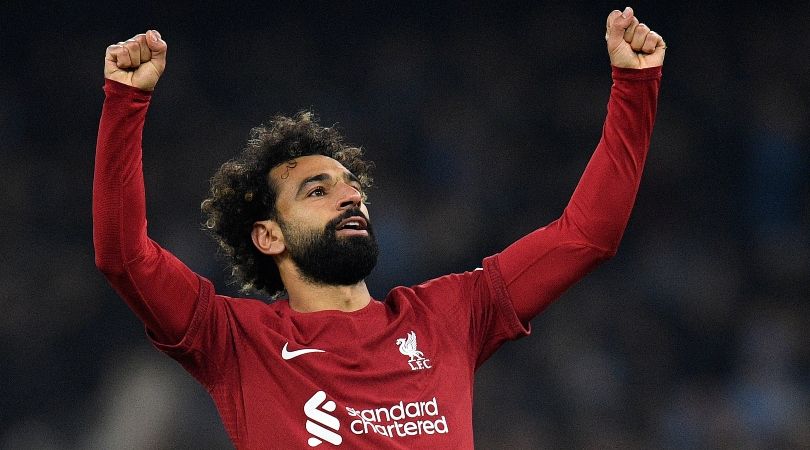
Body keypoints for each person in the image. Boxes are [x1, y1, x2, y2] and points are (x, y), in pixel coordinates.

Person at [94, 7, 664, 449]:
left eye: (352, 187)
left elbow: (586, 237)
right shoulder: (234, 341)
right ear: (268, 236)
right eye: (317, 190)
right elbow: (125, 257)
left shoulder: (451, 315)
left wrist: (634, 89)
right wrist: (125, 103)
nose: (349, 197)